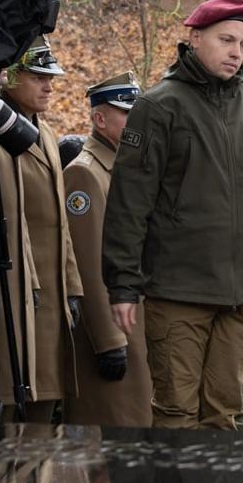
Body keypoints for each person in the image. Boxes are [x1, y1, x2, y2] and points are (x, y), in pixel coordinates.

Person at [103, 0, 243, 430]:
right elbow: (129, 202)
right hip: (177, 290)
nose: (237, 52)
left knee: (224, 412)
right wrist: (122, 285)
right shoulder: (159, 107)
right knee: (176, 411)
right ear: (195, 38)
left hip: (242, 293)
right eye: (226, 40)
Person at [0, 39, 81, 423]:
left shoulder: (49, 137)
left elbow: (60, 223)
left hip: (43, 301)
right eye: (38, 76)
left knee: (37, 417)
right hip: (0, 291)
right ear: (9, 77)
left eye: (50, 77)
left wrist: (72, 286)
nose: (49, 85)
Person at [62, 71, 150, 428]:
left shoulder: (122, 168)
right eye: (127, 113)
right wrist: (109, 340)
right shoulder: (84, 174)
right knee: (110, 446)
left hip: (138, 323)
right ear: (100, 119)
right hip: (114, 331)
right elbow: (87, 262)